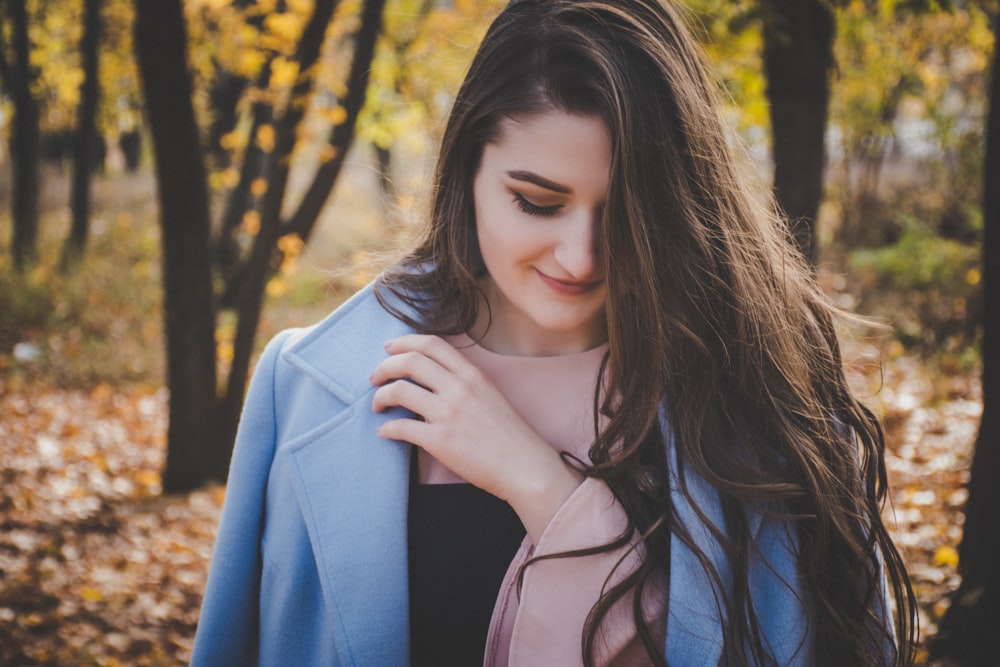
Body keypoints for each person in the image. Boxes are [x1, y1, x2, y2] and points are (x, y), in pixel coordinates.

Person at [190, 0, 917, 664]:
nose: (583, 257)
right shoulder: (308, 387)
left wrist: (537, 482)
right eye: (537, 201)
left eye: (626, 211)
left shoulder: (764, 392)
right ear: (466, 171)